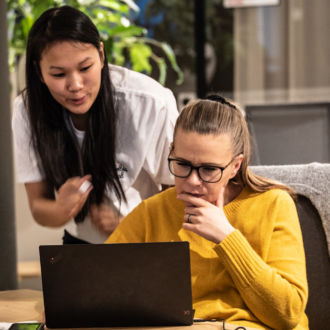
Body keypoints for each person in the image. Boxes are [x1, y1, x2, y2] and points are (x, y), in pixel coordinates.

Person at [105, 95, 309, 329]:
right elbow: (98, 286)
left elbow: (288, 314)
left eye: (209, 169)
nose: (192, 181)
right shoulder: (153, 211)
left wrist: (227, 237)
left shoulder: (273, 204)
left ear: (235, 166)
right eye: (182, 164)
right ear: (171, 152)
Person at [11, 5, 178, 244]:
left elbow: (180, 196)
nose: (75, 85)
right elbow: (39, 206)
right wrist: (62, 209)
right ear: (39, 72)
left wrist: (128, 225)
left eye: (85, 68)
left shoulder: (150, 102)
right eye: (59, 75)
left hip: (148, 244)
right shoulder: (28, 111)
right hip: (82, 247)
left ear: (101, 55)